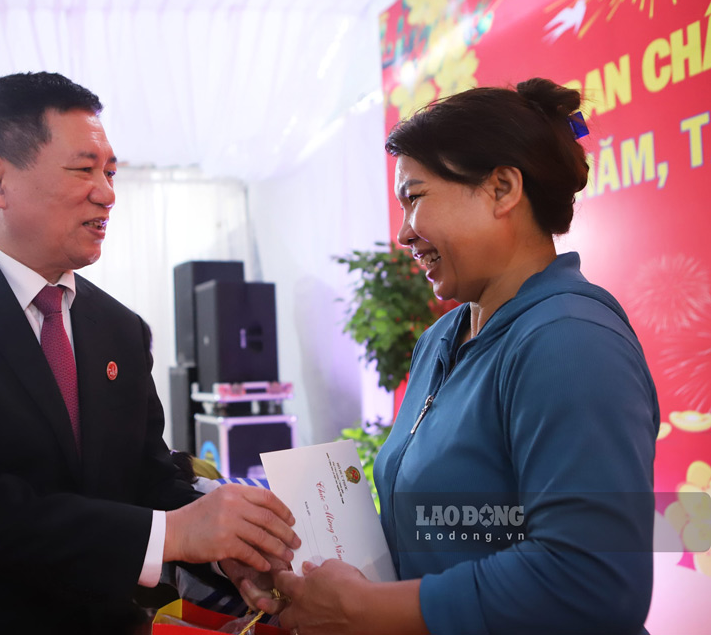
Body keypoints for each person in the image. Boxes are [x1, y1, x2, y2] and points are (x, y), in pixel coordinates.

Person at [0, 71, 299, 634]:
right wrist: (175, 533)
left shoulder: (120, 328)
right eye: (84, 169)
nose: (108, 193)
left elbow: (144, 475)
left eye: (110, 172)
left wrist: (225, 540)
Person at [268, 78, 659, 634]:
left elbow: (592, 578)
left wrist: (364, 610)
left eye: (416, 198)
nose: (404, 232)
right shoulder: (443, 338)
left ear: (502, 189)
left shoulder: (571, 342)